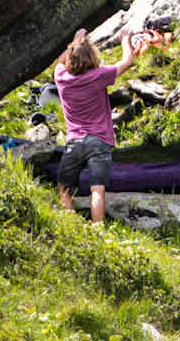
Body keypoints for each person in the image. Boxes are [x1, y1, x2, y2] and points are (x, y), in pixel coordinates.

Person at [55, 27, 143, 223]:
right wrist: (125, 40)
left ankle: (71, 227)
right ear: (92, 58)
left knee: (64, 189)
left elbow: (59, 62)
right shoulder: (98, 76)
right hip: (99, 141)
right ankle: (98, 230)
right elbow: (128, 61)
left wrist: (75, 41)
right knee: (97, 190)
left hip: (74, 142)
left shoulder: (62, 78)